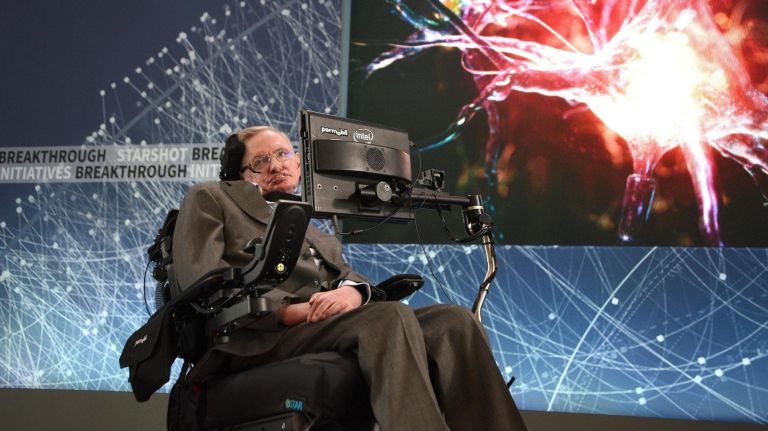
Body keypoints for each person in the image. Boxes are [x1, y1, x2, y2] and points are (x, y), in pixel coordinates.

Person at [171, 126, 528, 430]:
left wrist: (354, 294)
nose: (276, 165)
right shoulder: (210, 198)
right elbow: (202, 284)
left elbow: (348, 277)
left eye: (282, 154)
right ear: (240, 174)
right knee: (387, 317)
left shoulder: (317, 232)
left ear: (298, 162)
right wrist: (289, 311)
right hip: (257, 333)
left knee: (454, 322)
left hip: (323, 324)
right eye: (260, 161)